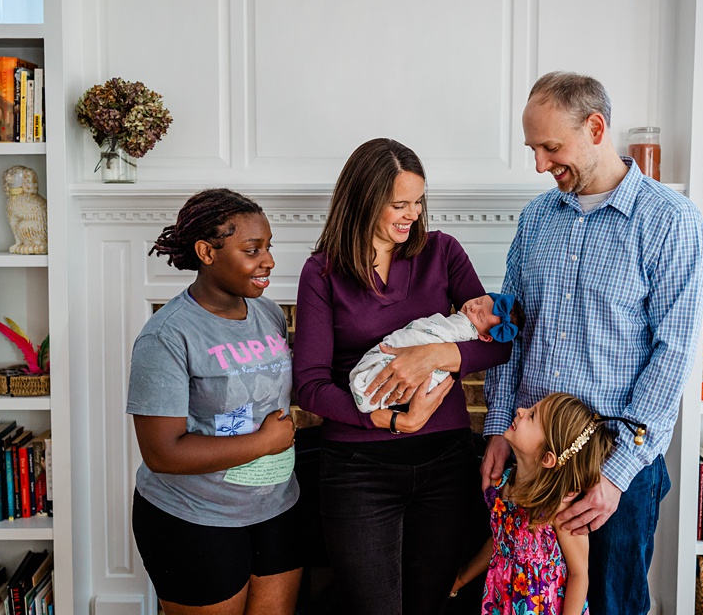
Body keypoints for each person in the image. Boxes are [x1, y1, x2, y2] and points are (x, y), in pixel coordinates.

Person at [480, 72, 703, 615]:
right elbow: (509, 329)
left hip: (614, 468)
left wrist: (617, 475)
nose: (539, 165)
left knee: (610, 603)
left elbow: (672, 354)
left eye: (551, 147)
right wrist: (497, 429)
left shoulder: (671, 221)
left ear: (596, 127)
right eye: (534, 148)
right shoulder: (536, 219)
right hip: (534, 462)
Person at [293, 138, 512, 615]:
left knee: (430, 604)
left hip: (445, 466)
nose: (412, 213)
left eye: (418, 201)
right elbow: (308, 383)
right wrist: (386, 422)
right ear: (364, 199)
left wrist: (438, 353)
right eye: (399, 203)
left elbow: (501, 342)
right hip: (358, 472)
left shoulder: (443, 252)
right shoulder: (322, 272)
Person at [127, 189, 302, 615]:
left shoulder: (268, 314)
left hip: (277, 508)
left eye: (268, 247)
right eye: (252, 249)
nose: (269, 261)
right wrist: (265, 442)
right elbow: (162, 452)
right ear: (207, 251)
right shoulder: (166, 336)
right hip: (194, 518)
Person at [452, 393, 647, 615]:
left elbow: (579, 574)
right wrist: (460, 578)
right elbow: (499, 543)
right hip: (503, 602)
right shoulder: (503, 486)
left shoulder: (558, 507)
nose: (520, 411)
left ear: (547, 458)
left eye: (532, 416)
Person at [350, 292, 524, 412]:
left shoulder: (463, 331)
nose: (472, 307)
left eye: (479, 316)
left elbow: (500, 352)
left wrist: (432, 355)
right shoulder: (459, 317)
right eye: (478, 301)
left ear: (485, 337)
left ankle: (369, 389)